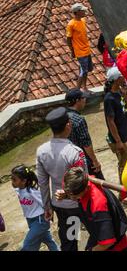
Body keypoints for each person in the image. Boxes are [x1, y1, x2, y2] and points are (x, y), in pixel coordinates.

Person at [36, 107, 87, 251]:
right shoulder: (74, 152)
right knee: (99, 235)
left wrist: (47, 207)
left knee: (70, 241)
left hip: (59, 205)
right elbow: (84, 181)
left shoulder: (42, 151)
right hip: (78, 204)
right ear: (68, 125)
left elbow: (43, 183)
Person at [59, 167, 127, 251]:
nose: (72, 198)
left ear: (85, 189)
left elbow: (107, 243)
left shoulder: (98, 204)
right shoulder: (86, 182)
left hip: (115, 247)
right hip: (97, 238)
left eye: (74, 196)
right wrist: (66, 195)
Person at [11, 165, 59, 251]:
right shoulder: (19, 190)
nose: (12, 182)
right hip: (30, 221)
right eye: (12, 179)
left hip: (40, 221)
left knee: (27, 244)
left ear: (24, 181)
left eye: (14, 179)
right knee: (47, 239)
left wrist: (49, 213)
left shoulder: (32, 191)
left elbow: (45, 202)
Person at [66, 88, 104, 180]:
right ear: (77, 101)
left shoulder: (63, 116)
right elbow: (86, 143)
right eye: (83, 98)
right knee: (100, 185)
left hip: (69, 159)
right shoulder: (79, 120)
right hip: (84, 159)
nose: (85, 100)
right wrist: (95, 161)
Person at [104, 67, 127, 184]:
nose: (124, 78)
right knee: (124, 164)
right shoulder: (109, 99)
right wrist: (118, 141)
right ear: (117, 79)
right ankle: (123, 191)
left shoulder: (119, 92)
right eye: (122, 76)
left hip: (126, 135)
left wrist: (125, 95)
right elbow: (111, 122)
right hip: (120, 138)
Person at [66, 3, 92, 92]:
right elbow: (68, 39)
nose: (84, 12)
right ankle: (77, 90)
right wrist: (72, 51)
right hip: (80, 52)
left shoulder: (83, 20)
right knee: (83, 71)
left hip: (86, 50)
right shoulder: (71, 24)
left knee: (86, 70)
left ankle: (84, 87)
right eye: (82, 11)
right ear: (77, 12)